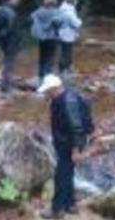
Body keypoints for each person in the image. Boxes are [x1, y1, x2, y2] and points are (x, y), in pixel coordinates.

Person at [37, 75, 94, 219]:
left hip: (71, 145)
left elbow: (76, 127)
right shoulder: (65, 97)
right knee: (68, 173)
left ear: (54, 89)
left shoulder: (67, 102)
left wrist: (76, 150)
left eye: (47, 91)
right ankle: (70, 204)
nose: (45, 94)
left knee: (60, 176)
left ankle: (56, 209)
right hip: (67, 143)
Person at [0, 0, 20, 93]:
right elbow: (11, 28)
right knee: (9, 63)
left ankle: (3, 81)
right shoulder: (11, 13)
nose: (16, 0)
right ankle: (6, 87)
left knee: (6, 61)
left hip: (1, 40)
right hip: (10, 41)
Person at [31, 0, 61, 80]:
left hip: (42, 38)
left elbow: (32, 17)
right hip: (52, 37)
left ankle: (41, 76)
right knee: (50, 58)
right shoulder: (57, 12)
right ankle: (48, 77)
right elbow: (59, 23)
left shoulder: (39, 11)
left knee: (42, 58)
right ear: (55, 2)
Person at [57, 0, 82, 73]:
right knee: (67, 52)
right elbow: (76, 23)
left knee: (63, 51)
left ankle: (63, 68)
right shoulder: (69, 11)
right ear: (73, 1)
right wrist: (80, 21)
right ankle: (65, 69)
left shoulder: (61, 8)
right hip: (68, 35)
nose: (77, 1)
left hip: (60, 33)